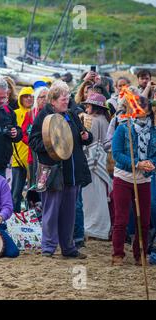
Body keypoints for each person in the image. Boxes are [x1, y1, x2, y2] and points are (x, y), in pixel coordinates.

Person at [29, 80, 92, 259]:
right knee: (51, 210)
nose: (67, 101)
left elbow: (83, 138)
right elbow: (33, 141)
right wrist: (52, 146)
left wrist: (87, 136)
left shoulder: (71, 115)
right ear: (53, 101)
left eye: (68, 98)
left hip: (71, 172)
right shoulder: (43, 116)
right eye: (63, 99)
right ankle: (48, 248)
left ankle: (68, 247)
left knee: (69, 212)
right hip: (53, 171)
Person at [111, 96, 155, 266]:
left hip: (144, 179)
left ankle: (140, 254)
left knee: (143, 220)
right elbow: (116, 154)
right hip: (123, 177)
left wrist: (151, 163)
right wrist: (136, 163)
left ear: (149, 110)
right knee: (121, 219)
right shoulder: (123, 128)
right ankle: (118, 254)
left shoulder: (153, 131)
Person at [80, 93, 112, 241]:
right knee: (100, 199)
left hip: (92, 165)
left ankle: (94, 228)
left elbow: (91, 145)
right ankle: (102, 228)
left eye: (88, 105)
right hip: (103, 163)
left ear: (95, 107)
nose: (86, 107)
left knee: (90, 199)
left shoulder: (93, 121)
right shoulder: (106, 119)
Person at [12, 86, 34, 213]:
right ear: (20, 98)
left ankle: (31, 219)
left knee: (32, 193)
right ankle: (12, 219)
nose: (29, 99)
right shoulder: (15, 113)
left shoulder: (36, 113)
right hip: (17, 158)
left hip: (32, 160)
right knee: (16, 192)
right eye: (26, 96)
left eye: (31, 96)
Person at [22, 86, 49, 189]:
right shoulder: (30, 114)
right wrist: (33, 143)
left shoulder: (53, 114)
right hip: (32, 156)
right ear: (37, 99)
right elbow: (24, 133)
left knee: (43, 185)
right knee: (33, 185)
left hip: (48, 156)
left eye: (47, 97)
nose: (45, 100)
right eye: (42, 97)